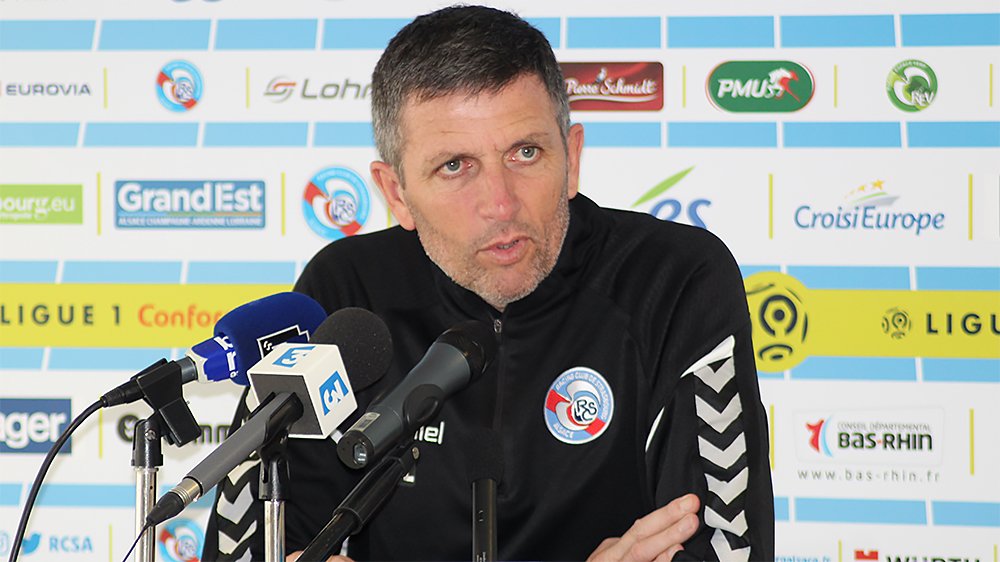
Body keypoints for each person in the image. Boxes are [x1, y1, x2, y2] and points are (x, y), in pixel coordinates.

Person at [203, 5, 774, 561]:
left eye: (526, 153)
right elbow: (253, 548)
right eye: (455, 165)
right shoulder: (346, 293)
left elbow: (721, 548)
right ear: (397, 192)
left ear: (571, 159)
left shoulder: (672, 280)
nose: (500, 204)